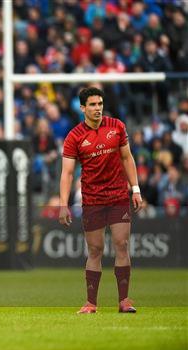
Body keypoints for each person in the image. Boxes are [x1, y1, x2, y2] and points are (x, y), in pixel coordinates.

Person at [58, 87, 143, 314]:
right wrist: (63, 203)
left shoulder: (117, 127)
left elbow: (127, 157)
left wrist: (135, 189)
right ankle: (91, 303)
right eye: (93, 105)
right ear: (83, 108)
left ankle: (124, 300)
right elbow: (67, 173)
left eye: (100, 104)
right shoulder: (74, 136)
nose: (98, 108)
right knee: (95, 249)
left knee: (121, 244)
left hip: (117, 196)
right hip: (93, 199)